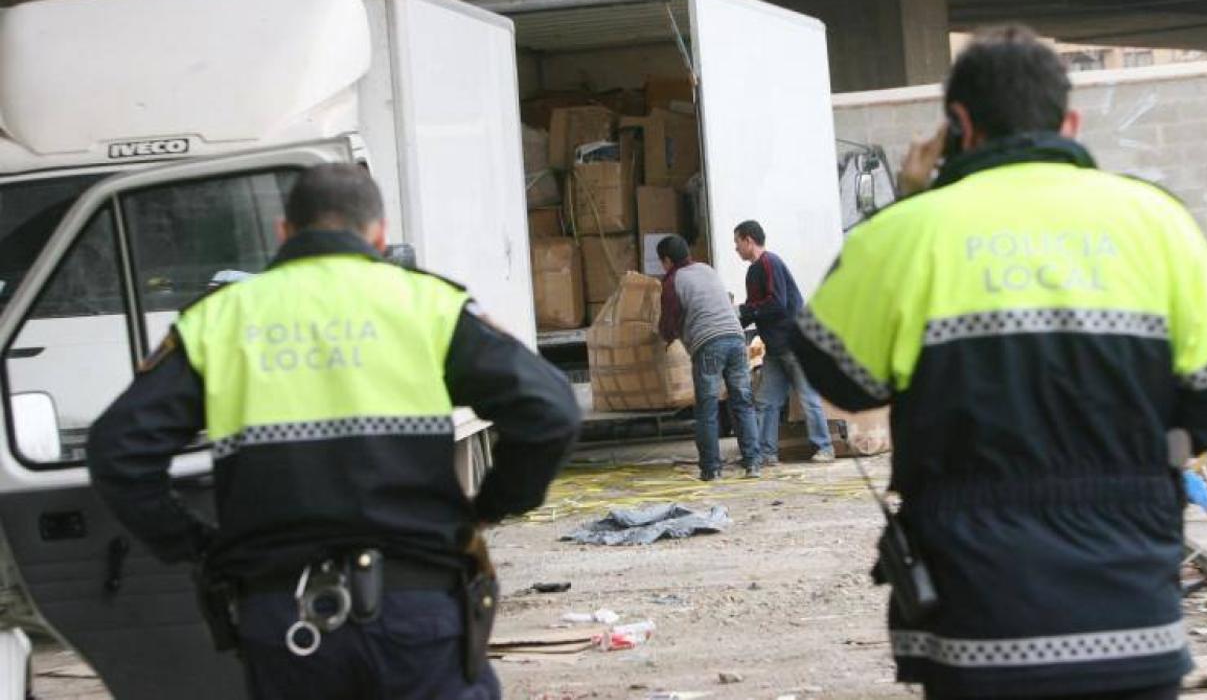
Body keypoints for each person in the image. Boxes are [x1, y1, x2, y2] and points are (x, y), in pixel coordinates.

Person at [792, 25, 1207, 700]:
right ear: (1070, 121)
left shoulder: (904, 234)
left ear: (959, 125)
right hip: (1131, 611)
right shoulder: (1158, 223)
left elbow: (839, 376)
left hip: (976, 618)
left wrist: (916, 200)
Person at [86, 164, 580, 700]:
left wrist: (197, 544)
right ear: (380, 234)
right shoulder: (424, 304)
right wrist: (489, 506)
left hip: (283, 619)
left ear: (283, 231)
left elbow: (118, 450)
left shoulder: (220, 320)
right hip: (415, 607)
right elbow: (550, 409)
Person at [656, 234, 762, 480]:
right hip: (736, 338)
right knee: (742, 401)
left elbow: (669, 322)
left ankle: (712, 469)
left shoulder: (673, 280)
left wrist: (663, 338)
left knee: (707, 407)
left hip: (708, 343)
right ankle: (753, 464)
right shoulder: (706, 269)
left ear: (667, 260)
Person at [733, 219, 834, 465]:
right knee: (767, 402)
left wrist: (742, 311)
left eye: (737, 242)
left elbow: (776, 303)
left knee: (807, 397)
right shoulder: (753, 270)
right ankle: (767, 454)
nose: (735, 248)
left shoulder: (770, 263)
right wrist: (736, 321)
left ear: (749, 240)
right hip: (775, 348)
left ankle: (825, 448)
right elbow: (758, 308)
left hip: (792, 344)